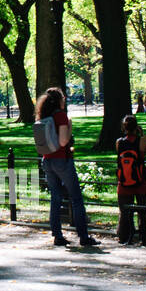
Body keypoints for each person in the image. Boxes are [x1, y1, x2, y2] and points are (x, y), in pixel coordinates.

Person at [36, 87, 100, 247]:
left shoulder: (44, 116)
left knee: (55, 199)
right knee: (76, 198)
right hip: (62, 160)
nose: (65, 101)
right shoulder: (60, 116)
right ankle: (83, 236)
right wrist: (70, 126)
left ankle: (57, 235)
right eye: (63, 98)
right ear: (59, 100)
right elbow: (64, 141)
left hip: (47, 160)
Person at [116, 115, 146, 244]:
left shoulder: (119, 142)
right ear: (136, 127)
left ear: (124, 127)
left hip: (124, 182)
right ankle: (145, 238)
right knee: (144, 211)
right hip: (141, 181)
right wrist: (142, 134)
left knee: (125, 212)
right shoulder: (141, 141)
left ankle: (125, 236)